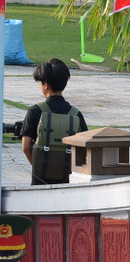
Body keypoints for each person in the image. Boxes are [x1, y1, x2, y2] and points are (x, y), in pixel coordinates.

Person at [21, 58, 87, 186]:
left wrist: (38, 167)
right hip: (67, 180)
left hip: (40, 180)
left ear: (46, 85)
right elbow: (84, 149)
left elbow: (25, 146)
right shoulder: (76, 114)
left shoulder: (35, 111)